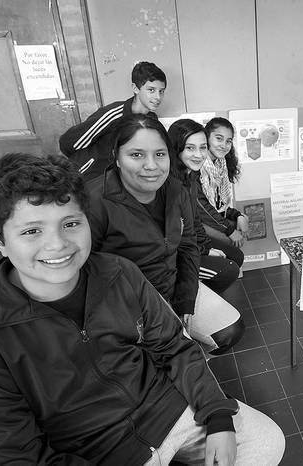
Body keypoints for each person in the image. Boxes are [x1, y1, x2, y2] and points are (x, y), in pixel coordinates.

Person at [0, 153, 284, 465]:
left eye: (71, 224)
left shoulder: (119, 273)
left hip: (167, 410)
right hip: (97, 452)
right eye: (32, 231)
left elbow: (175, 347)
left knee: (267, 442)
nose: (57, 244)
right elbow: (15, 458)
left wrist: (216, 415)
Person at [86, 114, 244, 356]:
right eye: (136, 155)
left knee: (229, 331)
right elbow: (87, 274)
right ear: (117, 157)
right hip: (129, 304)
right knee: (164, 358)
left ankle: (190, 360)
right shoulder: (94, 202)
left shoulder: (176, 190)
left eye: (159, 154)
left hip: (171, 285)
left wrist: (185, 300)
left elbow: (189, 246)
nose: (151, 165)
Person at [168, 118, 243, 293]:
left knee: (235, 255)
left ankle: (203, 295)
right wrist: (206, 249)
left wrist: (236, 215)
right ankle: (194, 297)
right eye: (190, 148)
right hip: (177, 253)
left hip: (195, 234)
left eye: (202, 148)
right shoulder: (180, 179)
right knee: (229, 265)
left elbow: (208, 209)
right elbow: (199, 215)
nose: (199, 154)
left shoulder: (195, 174)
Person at [60, 61, 166, 180]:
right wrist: (89, 165)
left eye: (161, 91)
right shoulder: (114, 114)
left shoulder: (152, 120)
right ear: (135, 88)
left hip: (116, 181)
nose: (158, 97)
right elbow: (68, 142)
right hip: (88, 179)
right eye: (151, 90)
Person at [201, 117, 249, 249]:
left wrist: (237, 215)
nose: (224, 145)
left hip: (211, 219)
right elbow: (202, 208)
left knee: (243, 219)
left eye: (228, 141)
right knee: (232, 245)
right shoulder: (198, 165)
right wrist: (230, 231)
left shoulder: (220, 164)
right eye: (219, 138)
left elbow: (219, 206)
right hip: (198, 224)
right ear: (206, 137)